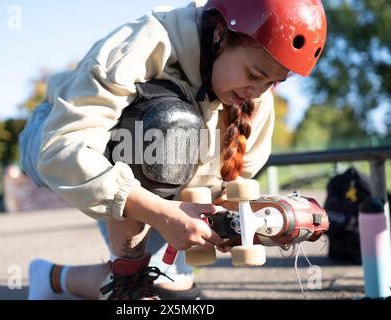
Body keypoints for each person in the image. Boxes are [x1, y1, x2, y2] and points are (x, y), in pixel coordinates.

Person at [19, 0, 327, 300]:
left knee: (169, 289)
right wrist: (163, 215)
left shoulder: (257, 99)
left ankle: (52, 278)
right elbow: (62, 150)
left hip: (164, 185)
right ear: (219, 35)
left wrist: (240, 222)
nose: (257, 93)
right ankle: (129, 278)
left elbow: (231, 187)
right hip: (58, 143)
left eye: (274, 83)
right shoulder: (146, 43)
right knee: (164, 125)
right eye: (255, 75)